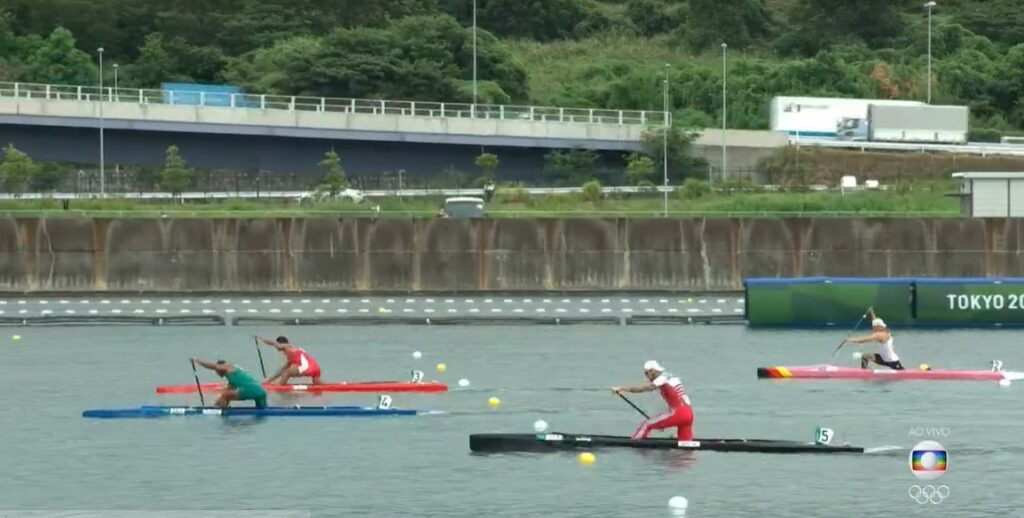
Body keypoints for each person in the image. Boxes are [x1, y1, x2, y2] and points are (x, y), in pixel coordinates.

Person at [612, 360, 695, 441]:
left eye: (646, 373)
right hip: (689, 414)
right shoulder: (671, 377)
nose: (646, 376)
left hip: (678, 413)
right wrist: (663, 423)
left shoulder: (662, 378)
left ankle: (633, 443)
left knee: (647, 424)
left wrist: (622, 389)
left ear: (652, 371)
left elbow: (644, 388)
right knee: (686, 445)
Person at [191, 358, 268, 409]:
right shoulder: (233, 378)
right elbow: (223, 396)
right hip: (261, 391)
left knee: (225, 396)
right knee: (263, 412)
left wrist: (197, 360)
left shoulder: (228, 367)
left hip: (251, 389)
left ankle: (225, 416)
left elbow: (211, 366)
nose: (217, 373)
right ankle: (224, 410)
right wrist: (216, 405)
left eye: (217, 371)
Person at [258, 336, 322, 385]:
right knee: (317, 383)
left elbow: (275, 343)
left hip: (307, 367)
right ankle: (330, 387)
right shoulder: (292, 354)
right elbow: (281, 370)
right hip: (316, 368)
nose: (276, 347)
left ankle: (279, 389)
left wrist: (261, 339)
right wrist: (269, 380)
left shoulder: (288, 346)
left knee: (286, 373)